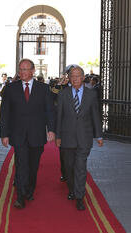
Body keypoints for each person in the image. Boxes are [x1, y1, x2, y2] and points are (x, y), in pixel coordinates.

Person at [0, 58, 55, 209]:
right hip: (18, 134)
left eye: (25, 69)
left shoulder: (43, 88)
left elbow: (49, 110)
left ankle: (30, 189)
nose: (22, 72)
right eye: (20, 69)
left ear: (32, 71)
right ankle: (21, 196)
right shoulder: (11, 88)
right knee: (21, 164)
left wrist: (51, 129)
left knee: (33, 165)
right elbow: (4, 112)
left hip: (36, 134)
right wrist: (4, 134)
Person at [55, 65, 103, 211]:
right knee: (69, 168)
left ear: (83, 78)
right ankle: (72, 189)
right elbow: (59, 117)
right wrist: (58, 136)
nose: (75, 78)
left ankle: (79, 197)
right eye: (72, 76)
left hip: (84, 137)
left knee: (80, 167)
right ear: (69, 78)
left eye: (77, 76)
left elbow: (95, 115)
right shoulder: (63, 94)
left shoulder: (91, 94)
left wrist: (99, 135)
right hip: (67, 137)